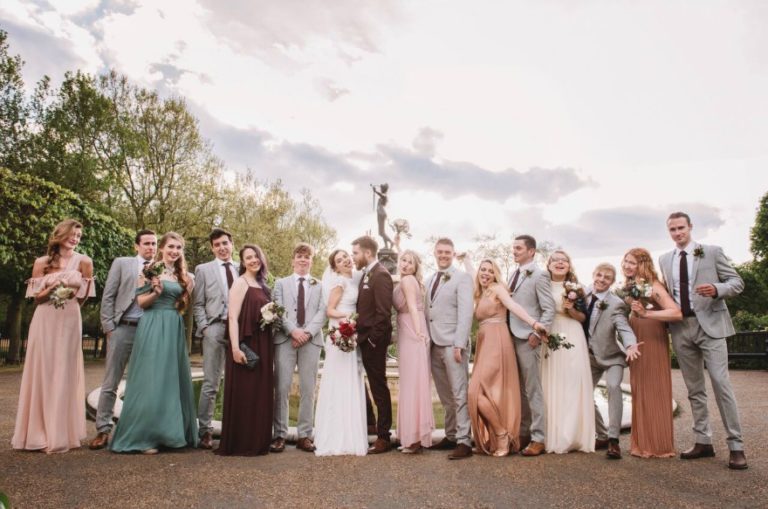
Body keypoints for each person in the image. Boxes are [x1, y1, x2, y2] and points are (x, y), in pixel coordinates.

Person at [659, 211, 747, 470]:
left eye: (681, 228)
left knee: (721, 384)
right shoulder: (665, 259)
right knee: (694, 389)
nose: (677, 233)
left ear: (690, 227)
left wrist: (717, 289)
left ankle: (736, 446)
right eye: (673, 230)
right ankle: (703, 441)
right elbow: (667, 294)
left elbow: (737, 282)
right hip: (681, 329)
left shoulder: (712, 251)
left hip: (711, 326)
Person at [109, 232, 198, 454]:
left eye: (178, 248)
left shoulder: (186, 277)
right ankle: (144, 436)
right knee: (150, 378)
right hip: (152, 324)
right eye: (171, 247)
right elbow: (141, 302)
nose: (174, 251)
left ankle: (170, 434)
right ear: (162, 249)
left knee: (170, 379)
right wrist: (156, 292)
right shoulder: (149, 271)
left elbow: (182, 304)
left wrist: (185, 289)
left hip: (174, 325)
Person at [12, 219, 95, 453]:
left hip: (70, 318)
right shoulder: (41, 263)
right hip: (45, 318)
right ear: (60, 234)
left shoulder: (85, 262)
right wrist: (54, 289)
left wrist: (69, 297)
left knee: (64, 371)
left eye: (79, 235)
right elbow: (36, 298)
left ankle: (62, 433)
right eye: (72, 234)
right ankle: (38, 433)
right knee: (43, 370)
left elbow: (84, 296)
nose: (75, 238)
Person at [470, 259, 546, 456]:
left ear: (495, 274)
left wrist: (534, 323)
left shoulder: (496, 289)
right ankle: (498, 435)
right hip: (484, 342)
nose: (485, 273)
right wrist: (466, 260)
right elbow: (472, 274)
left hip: (497, 341)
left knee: (475, 391)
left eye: (489, 271)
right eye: (482, 270)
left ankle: (502, 434)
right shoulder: (480, 292)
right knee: (482, 392)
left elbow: (513, 306)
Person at [89, 230, 157, 450]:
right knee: (111, 382)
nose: (151, 247)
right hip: (123, 328)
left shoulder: (163, 267)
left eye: (154, 244)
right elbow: (108, 295)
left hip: (149, 330)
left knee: (145, 383)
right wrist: (109, 327)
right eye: (146, 243)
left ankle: (139, 430)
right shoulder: (122, 263)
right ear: (136, 246)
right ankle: (103, 430)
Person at [620, 248, 681, 458]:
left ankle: (658, 445)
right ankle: (642, 443)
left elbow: (676, 312)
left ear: (643, 265)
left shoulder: (653, 285)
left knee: (654, 388)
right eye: (626, 261)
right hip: (637, 338)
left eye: (632, 263)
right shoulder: (632, 286)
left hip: (651, 338)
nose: (627, 266)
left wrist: (647, 313)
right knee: (640, 388)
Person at [215, 244, 274, 456]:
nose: (253, 260)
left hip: (264, 343)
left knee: (260, 392)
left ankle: (258, 441)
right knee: (245, 392)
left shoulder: (263, 284)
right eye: (248, 257)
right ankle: (241, 442)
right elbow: (232, 317)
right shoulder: (240, 283)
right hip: (246, 345)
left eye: (256, 256)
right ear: (243, 261)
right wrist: (234, 348)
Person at [271, 243, 326, 453]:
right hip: (285, 340)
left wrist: (306, 334)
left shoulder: (320, 286)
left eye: (307, 257)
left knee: (308, 389)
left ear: (311, 261)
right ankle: (280, 435)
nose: (303, 260)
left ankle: (305, 435)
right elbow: (278, 310)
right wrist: (293, 331)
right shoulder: (280, 283)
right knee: (282, 388)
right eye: (299, 256)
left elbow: (322, 312)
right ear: (293, 259)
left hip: (311, 342)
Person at [314, 249, 368, 456]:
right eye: (339, 260)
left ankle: (350, 432)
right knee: (339, 380)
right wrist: (351, 316)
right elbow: (330, 310)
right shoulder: (340, 282)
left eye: (346, 256)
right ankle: (335, 433)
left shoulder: (355, 279)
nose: (345, 260)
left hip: (350, 333)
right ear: (335, 267)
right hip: (341, 333)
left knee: (350, 381)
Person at [584, 263, 641, 460]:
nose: (601, 279)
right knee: (583, 393)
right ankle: (602, 435)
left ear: (611, 282)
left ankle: (614, 440)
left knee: (613, 386)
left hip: (612, 357)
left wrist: (631, 345)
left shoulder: (616, 303)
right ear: (593, 274)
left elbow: (623, 327)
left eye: (606, 278)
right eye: (599, 275)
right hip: (590, 357)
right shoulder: (580, 294)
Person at [541, 250, 595, 454]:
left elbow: (582, 318)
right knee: (551, 381)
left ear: (569, 265)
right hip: (549, 333)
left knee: (571, 382)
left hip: (572, 334)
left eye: (564, 260)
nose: (560, 263)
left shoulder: (577, 288)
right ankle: (550, 433)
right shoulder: (543, 285)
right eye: (556, 260)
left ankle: (572, 435)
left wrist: (570, 308)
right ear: (549, 265)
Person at [424, 238, 474, 460]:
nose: (443, 255)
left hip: (453, 344)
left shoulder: (462, 278)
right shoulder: (429, 279)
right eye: (440, 252)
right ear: (434, 253)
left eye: (447, 252)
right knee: (445, 396)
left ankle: (464, 441)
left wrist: (460, 343)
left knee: (459, 393)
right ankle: (451, 435)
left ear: (453, 254)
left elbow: (466, 312)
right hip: (434, 344)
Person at [507, 235, 556, 457]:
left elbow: (549, 309)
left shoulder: (540, 274)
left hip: (528, 338)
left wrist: (538, 332)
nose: (514, 251)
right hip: (510, 337)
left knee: (533, 388)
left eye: (518, 248)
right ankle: (524, 433)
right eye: (514, 248)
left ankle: (539, 438)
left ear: (531, 251)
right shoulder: (512, 274)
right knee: (520, 390)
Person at [192, 228, 240, 450]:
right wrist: (204, 327)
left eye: (225, 243)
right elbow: (198, 303)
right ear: (212, 248)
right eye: (217, 245)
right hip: (215, 329)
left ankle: (235, 429)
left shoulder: (243, 268)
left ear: (232, 244)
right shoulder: (203, 269)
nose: (222, 247)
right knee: (211, 383)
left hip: (240, 332)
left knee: (237, 383)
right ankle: (205, 431)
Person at [352, 235, 394, 454]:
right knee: (364, 385)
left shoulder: (381, 275)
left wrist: (371, 340)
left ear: (367, 253)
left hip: (373, 342)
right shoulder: (365, 275)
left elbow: (384, 314)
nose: (353, 257)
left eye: (356, 253)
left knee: (379, 387)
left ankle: (384, 436)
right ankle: (371, 424)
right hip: (361, 339)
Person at [393, 250, 433, 454]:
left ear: (416, 267)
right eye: (403, 260)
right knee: (413, 383)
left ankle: (413, 438)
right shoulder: (406, 280)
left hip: (412, 330)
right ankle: (413, 436)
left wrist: (418, 333)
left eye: (410, 262)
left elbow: (411, 306)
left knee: (412, 384)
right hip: (408, 328)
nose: (406, 264)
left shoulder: (408, 281)